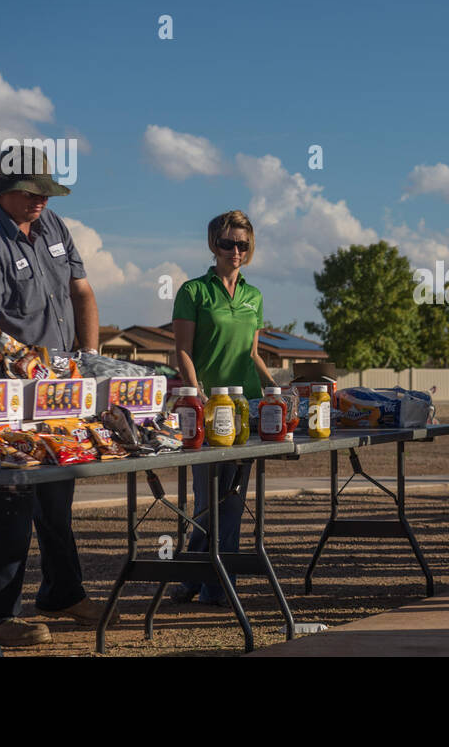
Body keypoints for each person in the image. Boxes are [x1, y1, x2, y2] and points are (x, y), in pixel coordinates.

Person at [0, 146, 107, 647]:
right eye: (31, 191)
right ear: (1, 191)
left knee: (57, 491)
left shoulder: (54, 226)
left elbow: (82, 293)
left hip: (56, 390)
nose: (41, 200)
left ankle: (63, 591)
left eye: (46, 191)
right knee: (11, 497)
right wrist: (30, 372)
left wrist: (89, 357)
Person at [169, 211, 275, 606]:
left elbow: (252, 352)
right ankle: (213, 583)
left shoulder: (254, 296)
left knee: (232, 497)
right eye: (228, 243)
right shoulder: (193, 292)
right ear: (213, 244)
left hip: (244, 406)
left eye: (243, 245)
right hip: (206, 407)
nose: (235, 251)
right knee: (209, 496)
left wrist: (275, 388)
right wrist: (194, 394)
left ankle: (199, 579)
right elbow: (182, 349)